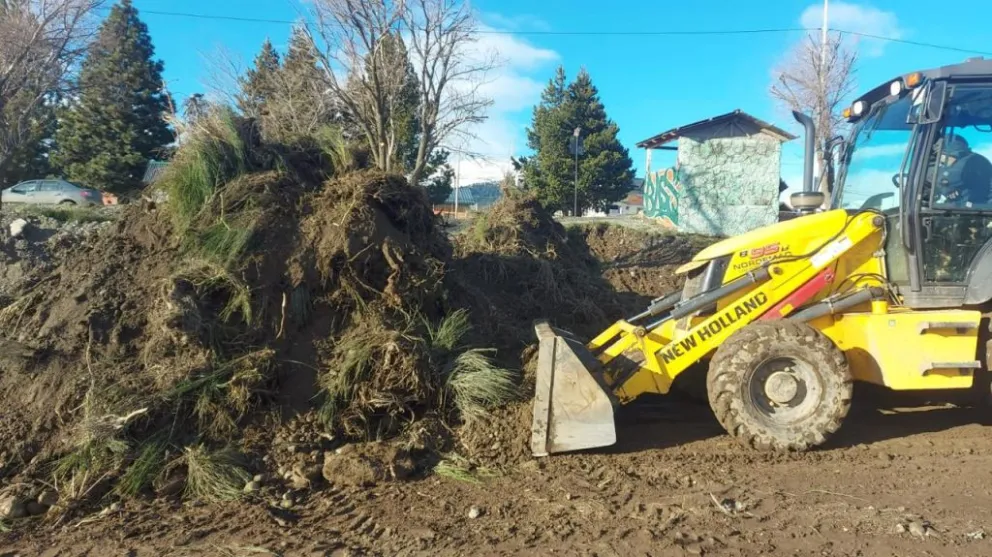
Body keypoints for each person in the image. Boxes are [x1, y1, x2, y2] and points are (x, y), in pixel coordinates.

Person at [934, 135, 992, 207]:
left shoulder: (965, 164)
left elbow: (942, 181)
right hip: (977, 207)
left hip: (975, 211)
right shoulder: (976, 159)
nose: (939, 161)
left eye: (940, 155)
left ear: (952, 154)